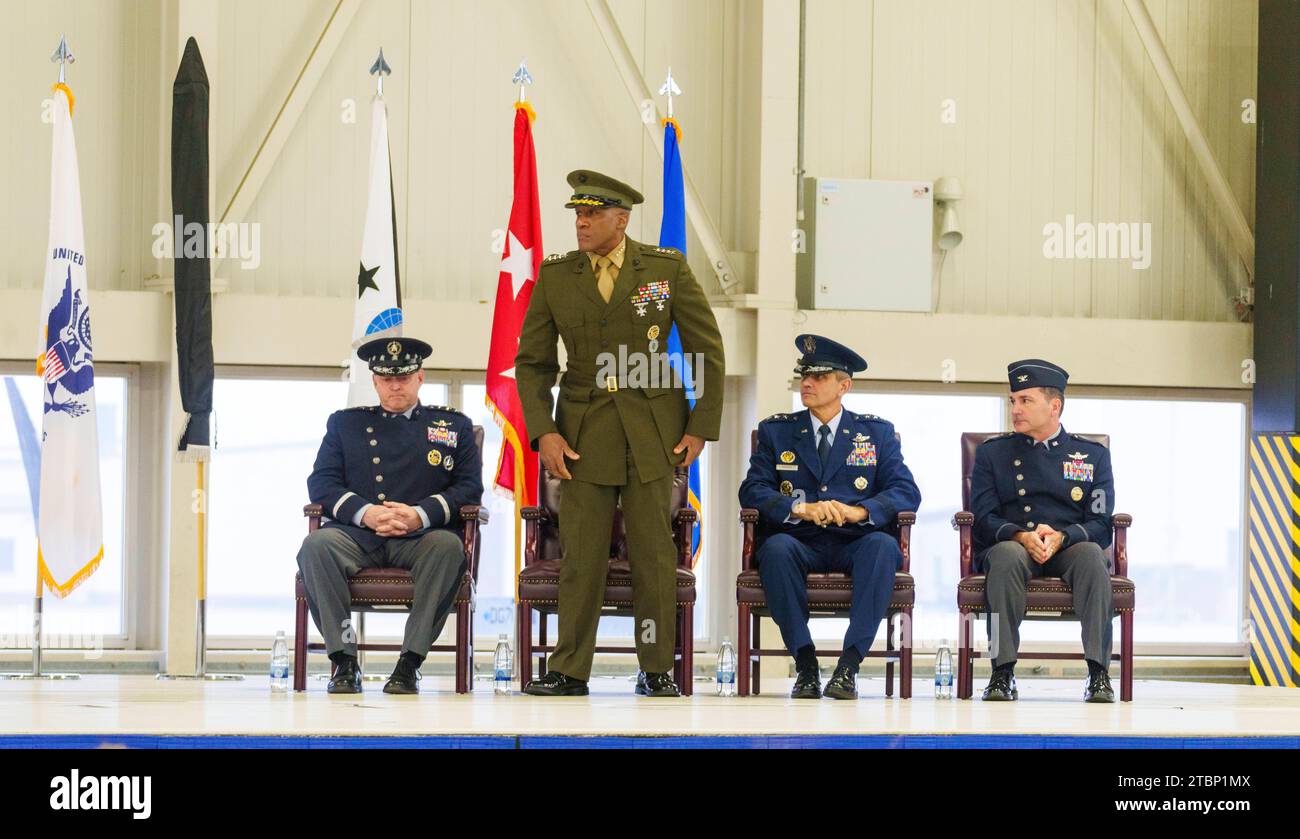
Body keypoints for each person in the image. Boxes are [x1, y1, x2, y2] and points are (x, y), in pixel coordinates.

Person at [514, 169, 726, 697]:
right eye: (578, 214)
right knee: (581, 555)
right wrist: (544, 433)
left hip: (655, 429)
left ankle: (656, 669)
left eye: (592, 214)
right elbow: (533, 363)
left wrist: (701, 426)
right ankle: (568, 671)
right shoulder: (557, 275)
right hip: (582, 431)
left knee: (654, 555)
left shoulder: (664, 267)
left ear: (621, 219)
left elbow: (707, 348)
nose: (581, 223)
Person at [296, 336, 483, 695]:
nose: (395, 384)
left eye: (404, 377)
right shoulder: (345, 424)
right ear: (375, 381)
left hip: (421, 538)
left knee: (448, 547)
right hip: (359, 536)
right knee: (315, 546)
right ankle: (345, 661)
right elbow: (321, 483)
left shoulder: (453, 426)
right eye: (387, 378)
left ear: (420, 378)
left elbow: (468, 488)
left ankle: (409, 663)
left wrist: (419, 515)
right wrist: (366, 514)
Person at [738, 335, 921, 700]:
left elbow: (906, 491)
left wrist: (860, 511)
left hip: (855, 540)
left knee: (884, 548)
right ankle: (805, 664)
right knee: (774, 551)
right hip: (800, 539)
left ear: (844, 385)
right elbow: (752, 489)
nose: (807, 382)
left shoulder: (876, 433)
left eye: (819, 377)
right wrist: (797, 508)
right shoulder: (778, 431)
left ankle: (848, 667)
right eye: (804, 375)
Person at [971, 359, 1116, 703]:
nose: (1016, 409)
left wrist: (1063, 536)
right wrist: (1021, 536)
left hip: (1068, 546)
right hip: (1015, 544)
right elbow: (982, 517)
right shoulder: (992, 454)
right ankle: (1001, 672)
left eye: (1025, 400)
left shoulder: (1091, 455)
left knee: (1094, 556)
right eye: (1013, 401)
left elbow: (1101, 523)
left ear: (1055, 406)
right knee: (1005, 557)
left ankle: (1098, 673)